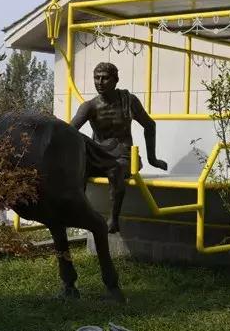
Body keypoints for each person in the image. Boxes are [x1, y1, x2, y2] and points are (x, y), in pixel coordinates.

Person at [71, 62, 167, 233]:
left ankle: (114, 219)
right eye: (96, 78)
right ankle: (79, 213)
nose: (99, 82)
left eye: (105, 78)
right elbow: (69, 132)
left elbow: (149, 125)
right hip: (99, 156)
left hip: (123, 156)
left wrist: (153, 159)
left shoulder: (128, 101)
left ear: (116, 80)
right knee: (78, 168)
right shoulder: (89, 106)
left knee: (116, 169)